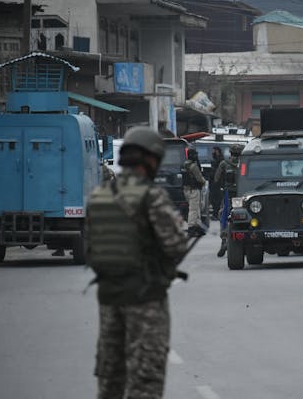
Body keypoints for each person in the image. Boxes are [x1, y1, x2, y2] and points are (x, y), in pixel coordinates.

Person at [85, 126, 188, 398]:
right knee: (145, 379)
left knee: (111, 377)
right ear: (150, 159)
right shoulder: (150, 195)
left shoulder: (100, 196)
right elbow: (175, 244)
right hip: (145, 300)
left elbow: (90, 248)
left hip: (109, 299)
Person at [214, 144, 243, 257]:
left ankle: (224, 241)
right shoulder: (245, 163)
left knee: (224, 215)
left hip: (228, 193)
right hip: (242, 194)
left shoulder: (224, 164)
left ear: (230, 153)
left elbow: (216, 178)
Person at [182, 148, 206, 233]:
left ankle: (197, 225)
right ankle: (191, 226)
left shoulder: (185, 165)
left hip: (186, 190)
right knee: (193, 209)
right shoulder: (193, 166)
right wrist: (204, 182)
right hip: (194, 190)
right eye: (195, 154)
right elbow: (199, 178)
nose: (197, 156)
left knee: (196, 208)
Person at [209, 146, 224, 220]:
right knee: (214, 199)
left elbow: (218, 173)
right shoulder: (216, 160)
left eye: (213, 151)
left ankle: (216, 214)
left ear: (217, 151)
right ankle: (215, 214)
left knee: (216, 200)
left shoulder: (220, 161)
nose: (212, 153)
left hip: (218, 183)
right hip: (214, 183)